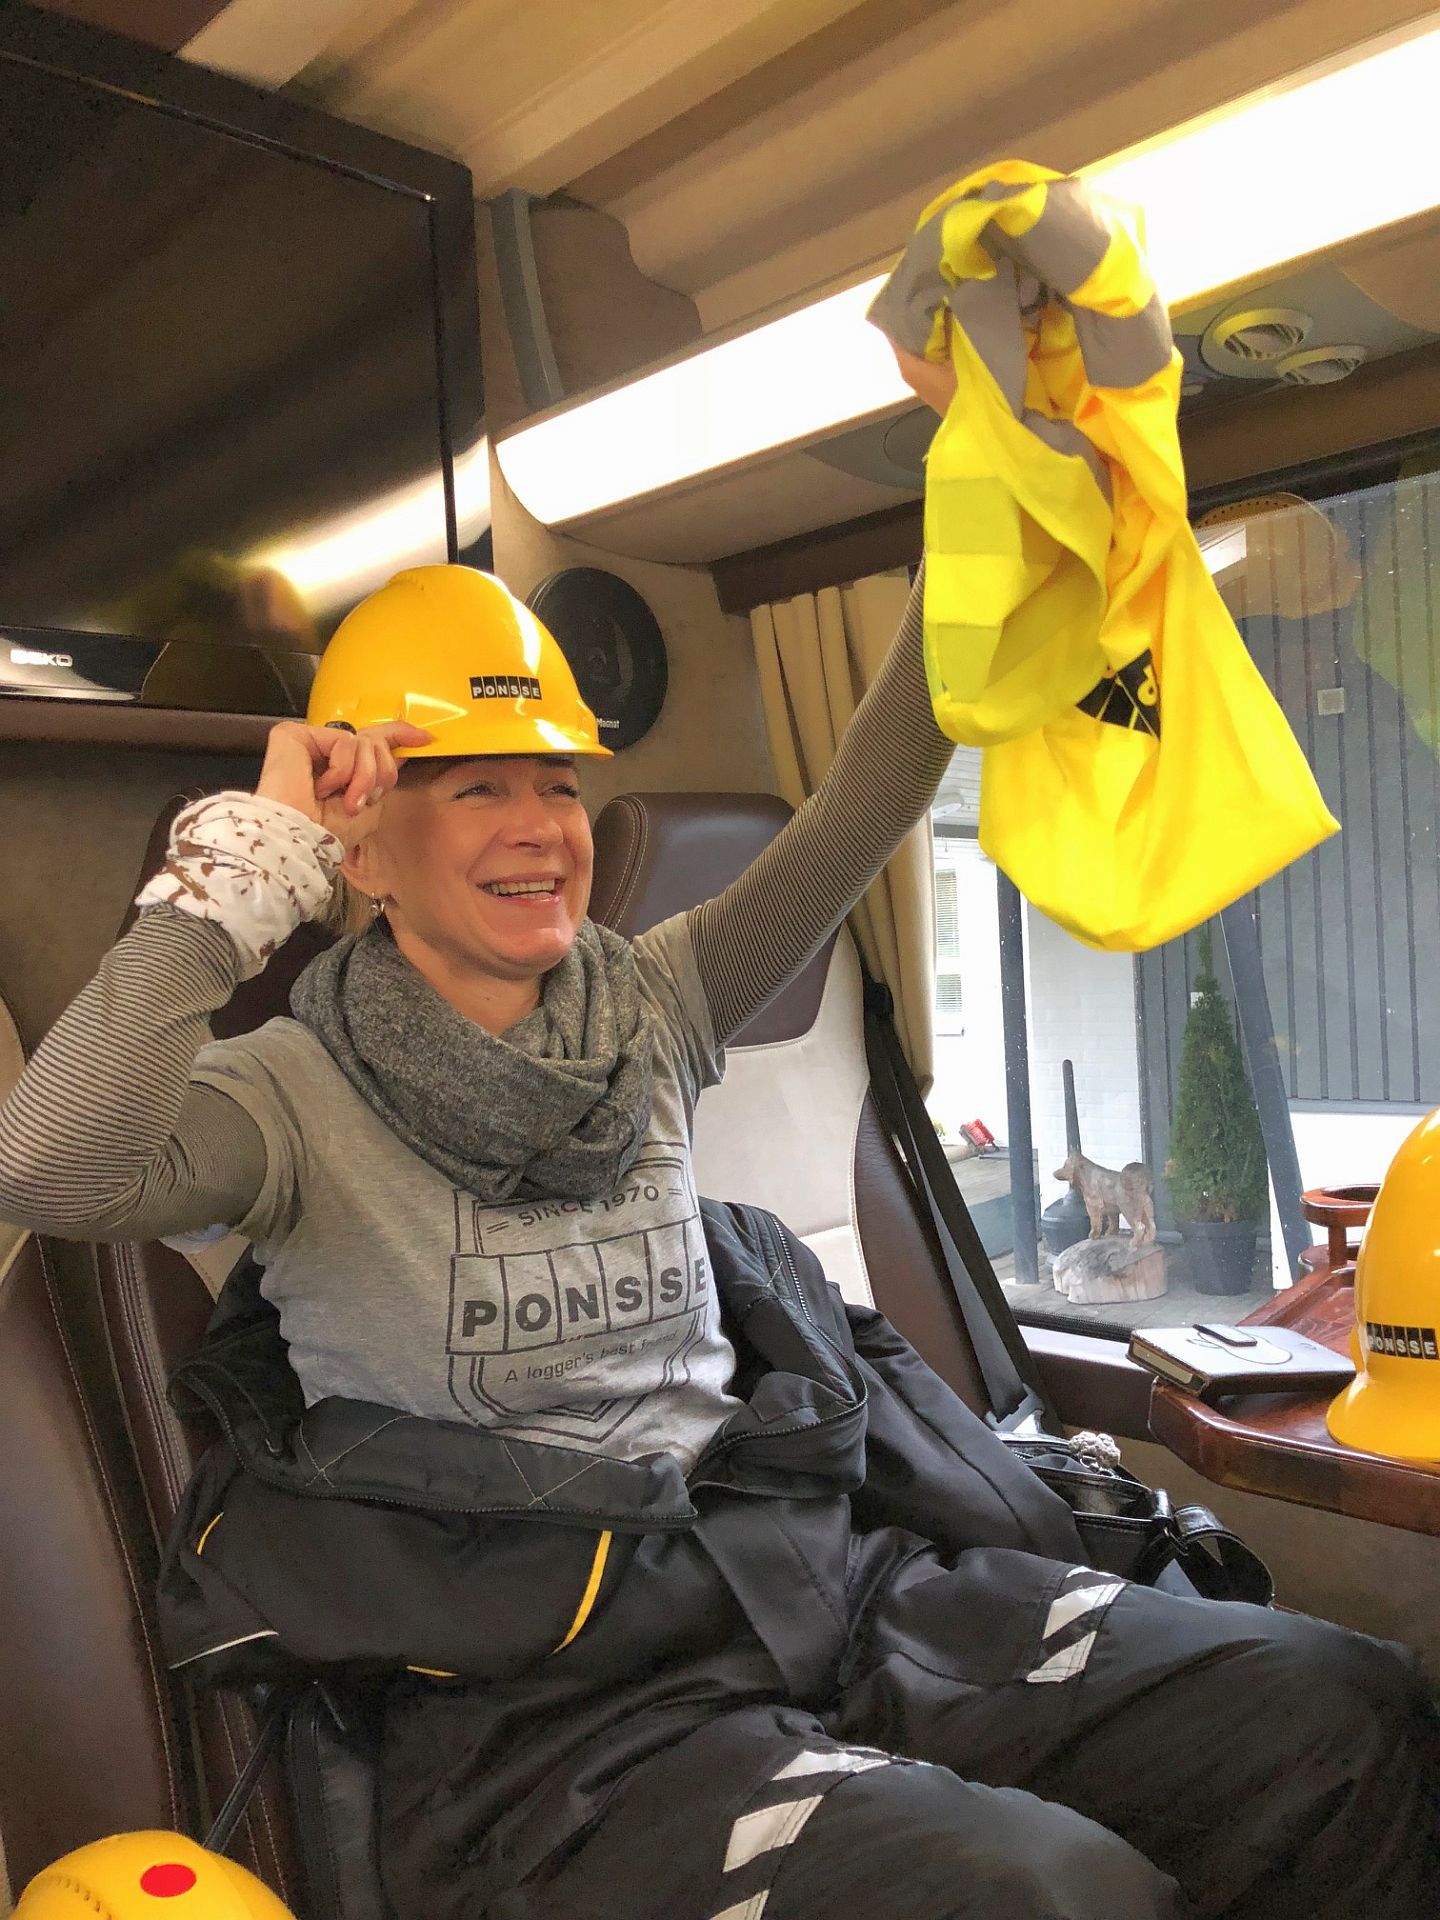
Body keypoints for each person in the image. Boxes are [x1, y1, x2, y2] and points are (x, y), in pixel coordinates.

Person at [0, 564, 1435, 1920]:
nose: (540, 827)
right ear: (361, 845)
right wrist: (242, 871)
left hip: (815, 1583)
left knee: (1341, 1706)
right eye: (477, 785)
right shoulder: (288, 1099)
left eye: (558, 783)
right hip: (550, 1706)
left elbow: (866, 802)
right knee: (1042, 1893)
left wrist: (977, 532)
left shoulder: (654, 1001)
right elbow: (47, 1165)